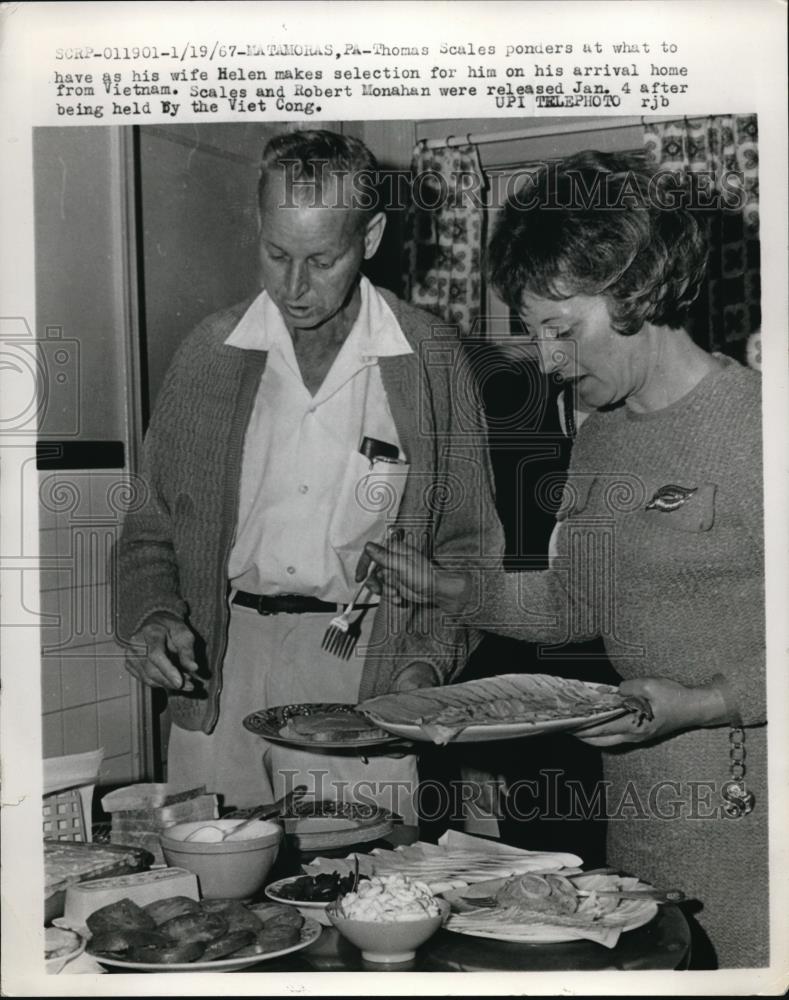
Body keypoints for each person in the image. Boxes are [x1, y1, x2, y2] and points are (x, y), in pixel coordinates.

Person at [362, 151, 767, 968]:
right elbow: (574, 605)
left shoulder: (757, 425)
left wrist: (705, 701)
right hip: (641, 803)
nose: (546, 362)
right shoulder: (599, 434)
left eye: (561, 329)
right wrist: (446, 587)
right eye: (534, 332)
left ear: (636, 293)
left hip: (754, 803)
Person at [116, 129, 504, 824]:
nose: (294, 287)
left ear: (372, 236)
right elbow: (149, 532)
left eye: (322, 259)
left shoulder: (432, 361)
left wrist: (424, 666)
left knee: (361, 899)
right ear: (258, 228)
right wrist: (152, 619)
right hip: (219, 669)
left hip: (363, 671)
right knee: (214, 899)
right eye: (276, 254)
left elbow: (468, 549)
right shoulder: (208, 355)